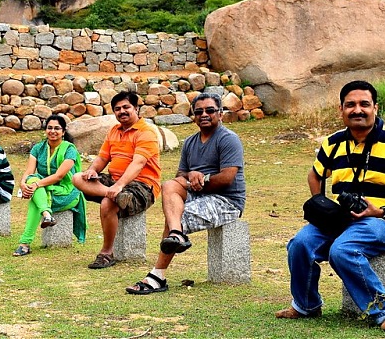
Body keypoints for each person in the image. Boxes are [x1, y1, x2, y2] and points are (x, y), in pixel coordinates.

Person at [276, 80, 385, 332]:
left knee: (342, 250)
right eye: (350, 105)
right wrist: (320, 204)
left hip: (384, 221)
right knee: (299, 244)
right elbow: (315, 175)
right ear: (341, 110)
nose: (358, 110)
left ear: (375, 108)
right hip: (340, 219)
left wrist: (383, 210)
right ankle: (306, 305)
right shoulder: (333, 142)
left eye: (364, 104)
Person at [125, 92, 245, 294]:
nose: (204, 114)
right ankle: (176, 235)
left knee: (176, 216)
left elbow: (227, 178)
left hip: (227, 201)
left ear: (221, 114)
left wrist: (202, 179)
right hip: (198, 195)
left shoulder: (228, 139)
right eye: (199, 111)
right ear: (193, 115)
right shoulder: (190, 142)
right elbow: (180, 175)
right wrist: (191, 175)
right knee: (169, 185)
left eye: (210, 110)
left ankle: (157, 275)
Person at [72, 91, 161, 269]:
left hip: (142, 186)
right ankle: (114, 195)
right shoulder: (114, 130)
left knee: (107, 203)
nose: (122, 111)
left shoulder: (146, 133)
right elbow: (102, 158)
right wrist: (92, 171)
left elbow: (138, 164)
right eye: (117, 109)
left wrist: (119, 186)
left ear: (136, 108)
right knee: (77, 177)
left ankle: (106, 253)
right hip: (115, 182)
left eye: (126, 107)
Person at [13, 114, 87, 257]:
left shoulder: (69, 149)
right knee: (32, 181)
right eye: (50, 128)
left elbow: (59, 176)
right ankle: (46, 215)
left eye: (57, 128)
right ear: (45, 130)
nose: (53, 131)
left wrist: (35, 185)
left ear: (63, 132)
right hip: (44, 189)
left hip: (67, 193)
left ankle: (25, 243)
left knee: (36, 196)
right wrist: (23, 184)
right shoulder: (38, 148)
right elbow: (29, 171)